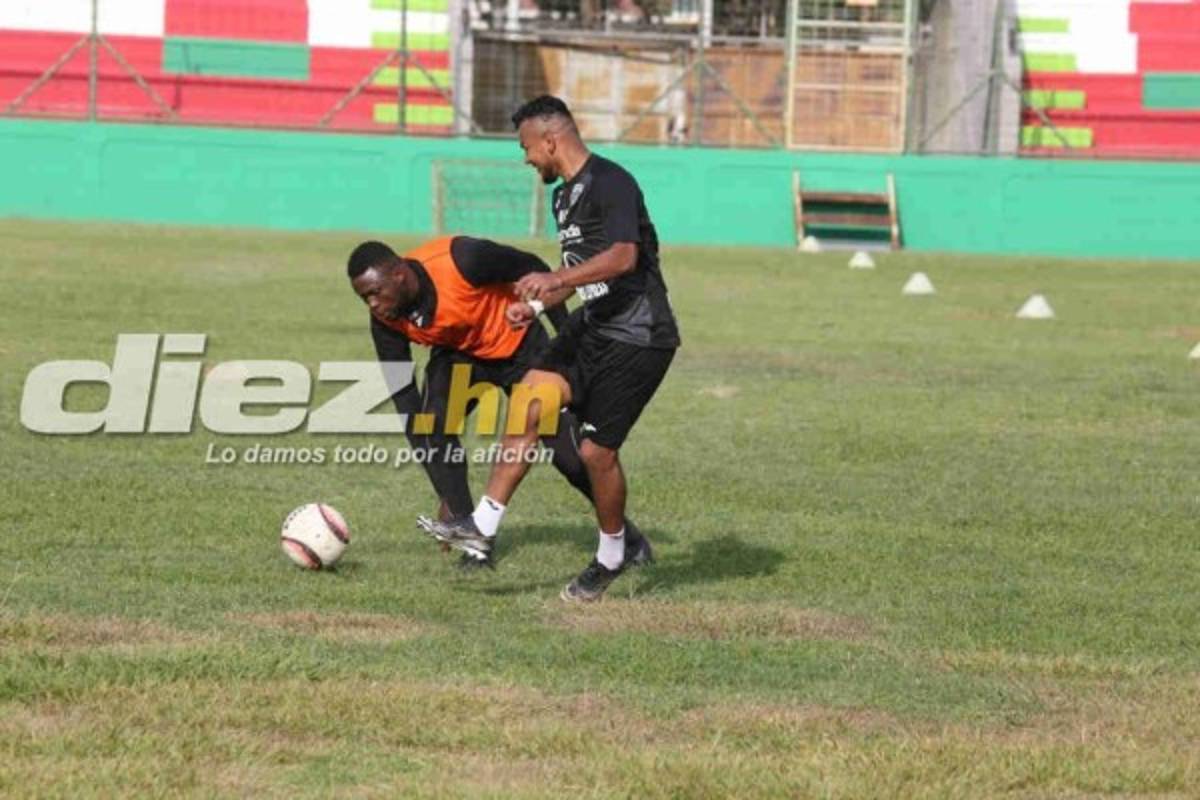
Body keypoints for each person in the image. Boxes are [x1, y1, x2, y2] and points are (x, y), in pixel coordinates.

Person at [418, 95, 680, 602]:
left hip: (639, 335)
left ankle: (612, 554)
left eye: (526, 147)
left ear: (550, 139)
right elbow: (579, 275)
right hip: (595, 324)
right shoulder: (563, 197)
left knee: (595, 454)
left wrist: (555, 276)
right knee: (528, 401)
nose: (526, 159)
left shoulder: (612, 182)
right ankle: (483, 527)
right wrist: (536, 306)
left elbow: (624, 258)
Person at [347, 235, 652, 569]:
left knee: (570, 456)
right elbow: (404, 398)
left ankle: (628, 539)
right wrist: (447, 494)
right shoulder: (386, 320)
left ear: (399, 275)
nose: (372, 304)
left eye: (375, 293)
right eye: (364, 298)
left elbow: (534, 267)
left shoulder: (462, 259)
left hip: (521, 347)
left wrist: (568, 340)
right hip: (460, 356)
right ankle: (472, 539)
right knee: (429, 425)